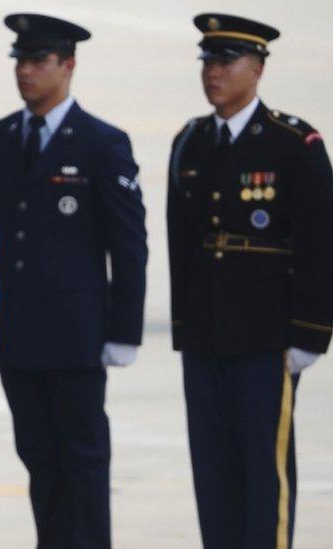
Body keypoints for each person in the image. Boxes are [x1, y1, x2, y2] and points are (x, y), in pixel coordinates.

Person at [0, 13, 147, 548]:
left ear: (67, 65)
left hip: (76, 337)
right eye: (20, 61)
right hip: (18, 335)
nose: (25, 71)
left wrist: (125, 331)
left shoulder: (102, 142)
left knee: (83, 465)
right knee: (39, 461)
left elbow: (128, 243)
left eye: (38, 60)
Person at [167, 14, 333, 548]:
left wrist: (310, 332)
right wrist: (184, 329)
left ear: (257, 69)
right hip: (206, 336)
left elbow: (319, 239)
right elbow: (181, 245)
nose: (213, 73)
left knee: (265, 473)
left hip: (267, 337)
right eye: (208, 62)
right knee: (212, 472)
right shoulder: (190, 142)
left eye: (226, 61)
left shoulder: (292, 143)